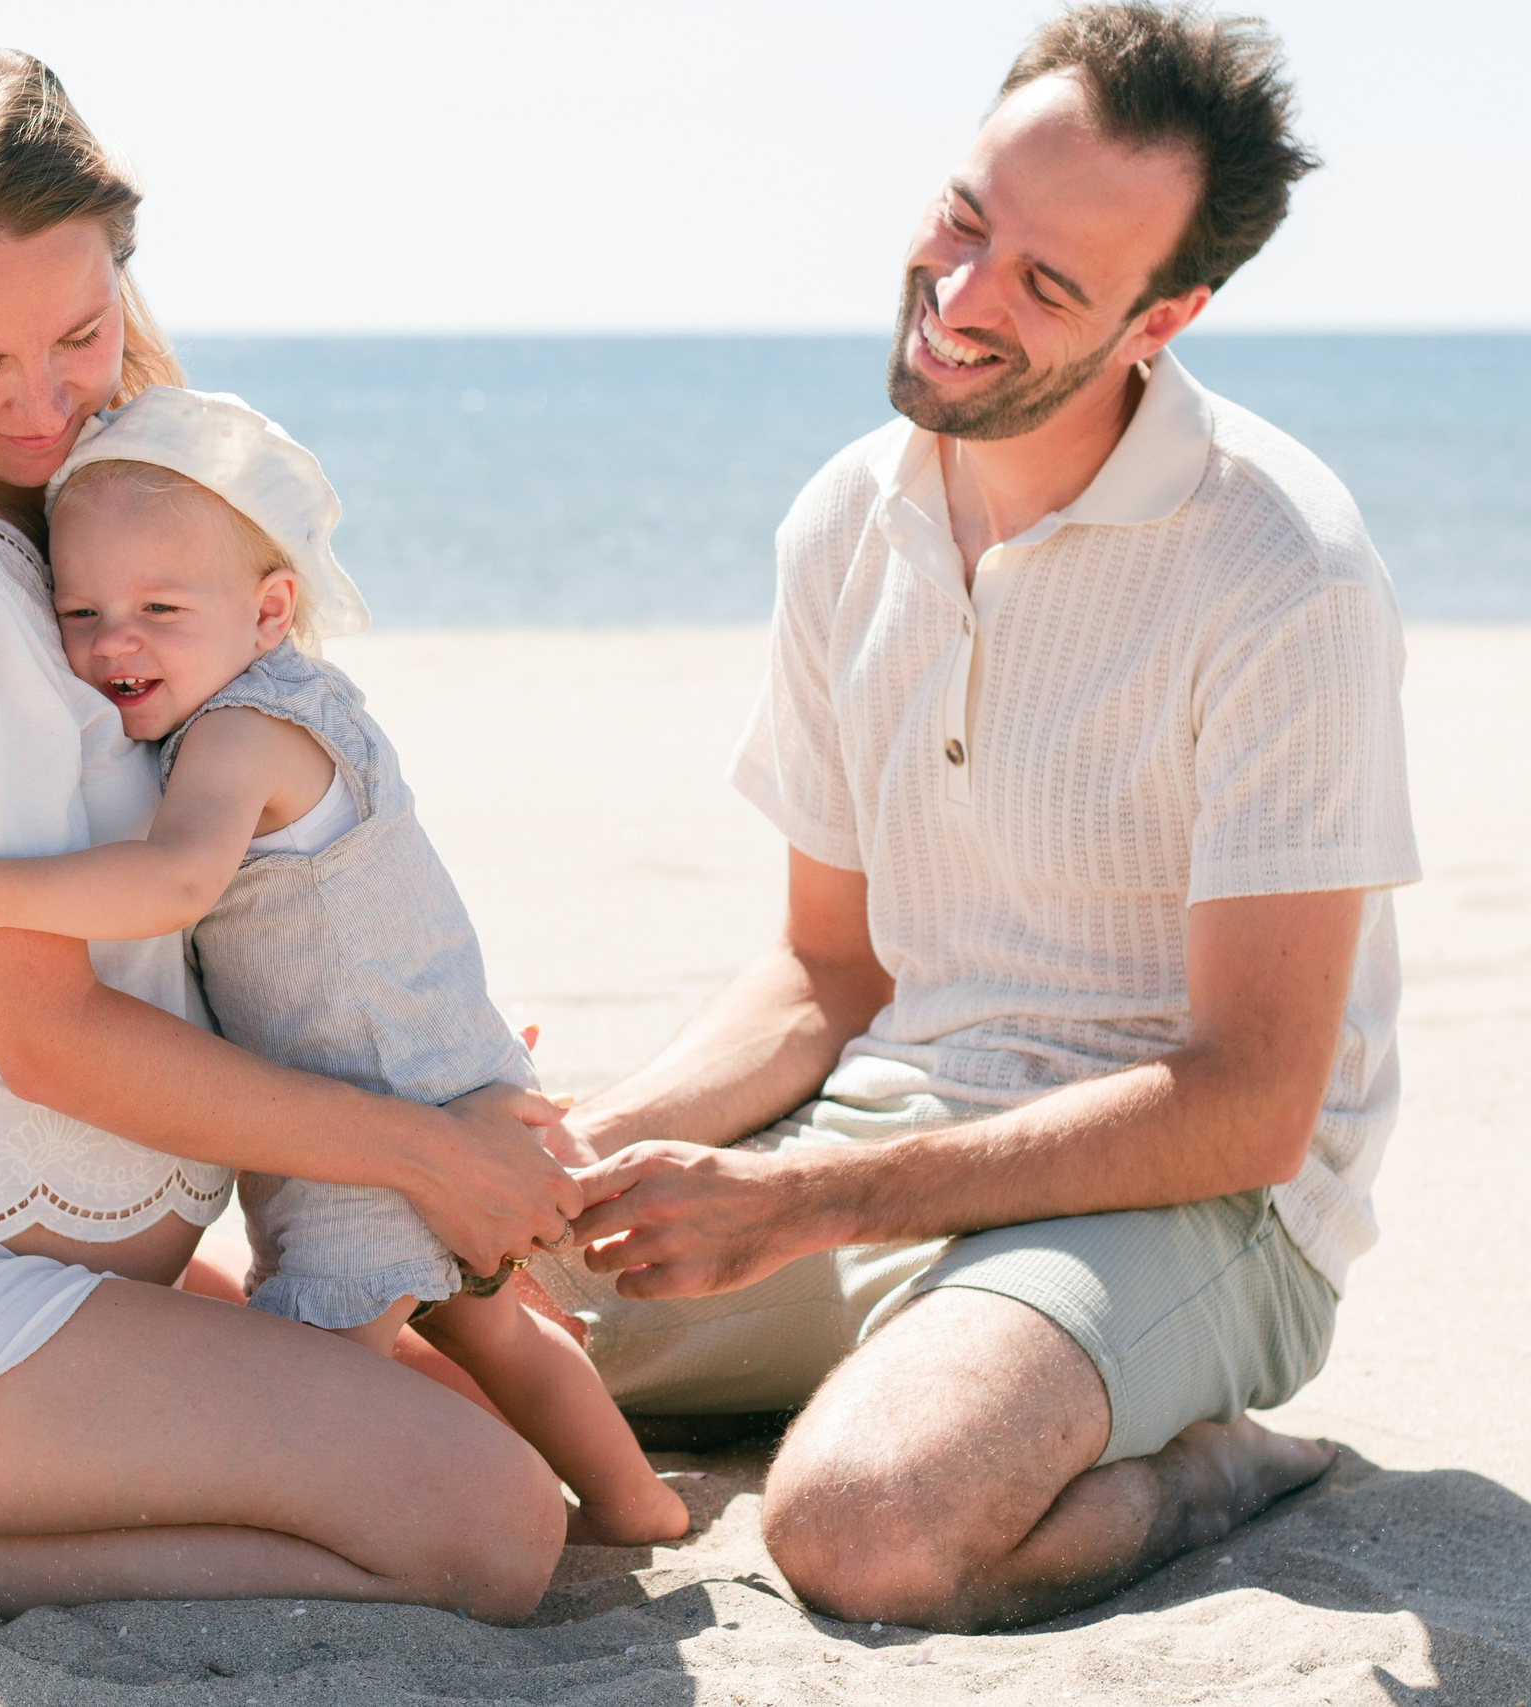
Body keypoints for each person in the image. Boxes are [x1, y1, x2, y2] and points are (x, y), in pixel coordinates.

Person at [0, 48, 582, 1618]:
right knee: (488, 1526)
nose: (46, 398)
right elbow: (49, 1035)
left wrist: (423, 1052)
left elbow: (215, 898)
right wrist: (426, 1150)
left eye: (81, 333)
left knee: (474, 1425)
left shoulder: (82, 514)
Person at [538, 1, 1418, 1633]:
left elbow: (1252, 1105)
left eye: (1045, 283)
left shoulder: (1284, 570)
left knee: (870, 1528)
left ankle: (1220, 1463)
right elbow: (829, 971)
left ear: (1166, 316)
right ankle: (894, 1364)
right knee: (423, 1312)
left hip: (1189, 1211)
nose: (957, 298)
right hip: (888, 1139)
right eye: (962, 221)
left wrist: (795, 1205)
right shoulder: (844, 518)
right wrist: (576, 1149)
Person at [0, 386, 691, 1546]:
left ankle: (438, 1518)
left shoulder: (237, 735)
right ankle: (640, 1505)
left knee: (317, 1394)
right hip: (432, 1073)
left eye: (162, 606)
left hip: (362, 1134)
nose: (117, 640)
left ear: (269, 611)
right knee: (495, 1329)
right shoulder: (302, 703)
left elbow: (173, 882)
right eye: (81, 611)